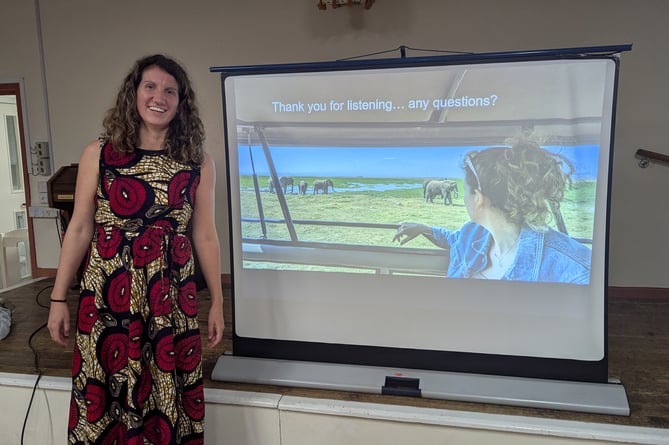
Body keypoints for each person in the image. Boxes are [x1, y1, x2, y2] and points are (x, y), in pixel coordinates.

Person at [47, 54, 225, 444]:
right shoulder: (99, 153)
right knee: (106, 389)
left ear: (181, 103)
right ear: (134, 93)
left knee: (167, 389)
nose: (158, 97)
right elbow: (78, 227)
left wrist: (218, 303)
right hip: (108, 293)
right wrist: (58, 298)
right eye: (150, 87)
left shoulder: (198, 162)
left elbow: (205, 235)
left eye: (169, 91)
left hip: (171, 297)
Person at [393, 139, 592, 283]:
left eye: (465, 191)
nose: (463, 198)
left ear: (478, 199)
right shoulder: (473, 233)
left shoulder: (576, 270)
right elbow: (454, 240)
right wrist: (423, 228)